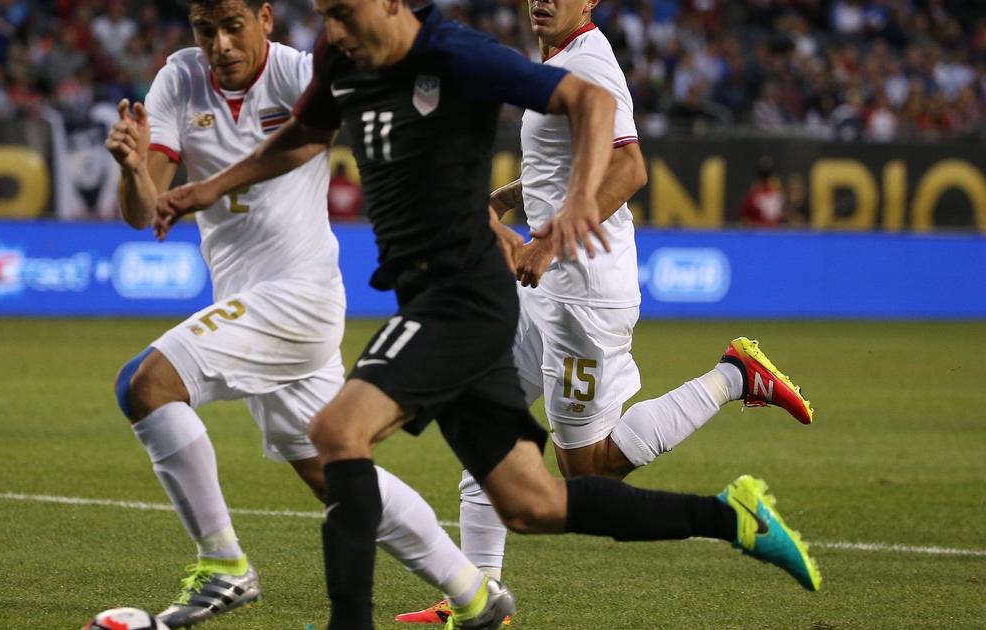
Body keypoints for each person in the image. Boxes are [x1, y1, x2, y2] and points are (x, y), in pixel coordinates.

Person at [154, 1, 822, 628]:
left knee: (337, 432)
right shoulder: (340, 56)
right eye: (327, 16)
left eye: (347, 14)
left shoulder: (456, 54)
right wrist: (205, 189)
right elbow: (306, 131)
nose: (336, 31)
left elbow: (588, 105)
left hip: (465, 302)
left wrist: (576, 206)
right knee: (532, 500)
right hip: (438, 298)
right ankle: (730, 518)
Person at [397, 1, 816, 623]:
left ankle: (734, 377)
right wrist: (509, 199)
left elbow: (629, 166)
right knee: (484, 414)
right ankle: (480, 596)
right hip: (550, 287)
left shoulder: (590, 59)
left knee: (587, 469)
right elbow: (563, 165)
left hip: (583, 291)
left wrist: (545, 241)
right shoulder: (560, 58)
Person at [106, 0, 503, 626]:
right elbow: (142, 211)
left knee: (146, 383)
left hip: (299, 296)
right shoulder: (179, 79)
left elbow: (406, 135)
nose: (220, 45)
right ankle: (475, 594)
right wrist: (132, 172)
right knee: (333, 472)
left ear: (265, 18)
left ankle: (224, 564)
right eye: (205, 30)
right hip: (246, 304)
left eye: (233, 26)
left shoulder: (299, 74)